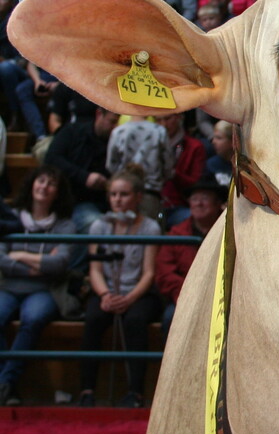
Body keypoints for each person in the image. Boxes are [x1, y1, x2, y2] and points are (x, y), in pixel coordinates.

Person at [79, 165, 161, 408]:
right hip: (107, 291)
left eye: (124, 194)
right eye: (113, 194)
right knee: (93, 318)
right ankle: (87, 391)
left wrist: (129, 298)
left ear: (137, 197)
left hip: (138, 293)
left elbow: (148, 273)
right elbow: (94, 270)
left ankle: (135, 393)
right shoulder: (98, 227)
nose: (118, 200)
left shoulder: (150, 228)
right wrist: (105, 295)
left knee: (135, 321)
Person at [0, 166, 74, 407]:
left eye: (51, 183)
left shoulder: (65, 225)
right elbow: (0, 258)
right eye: (40, 180)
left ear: (58, 192)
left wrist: (19, 254)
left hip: (44, 290)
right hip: (8, 286)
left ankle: (6, 382)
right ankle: (4, 384)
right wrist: (37, 265)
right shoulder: (10, 217)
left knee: (32, 318)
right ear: (31, 184)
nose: (44, 186)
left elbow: (60, 263)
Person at [156, 175, 224, 339]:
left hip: (223, 298)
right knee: (170, 318)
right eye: (195, 199)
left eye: (205, 198)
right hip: (184, 297)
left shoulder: (230, 231)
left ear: (217, 204)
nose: (199, 203)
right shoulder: (177, 233)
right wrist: (185, 295)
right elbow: (165, 271)